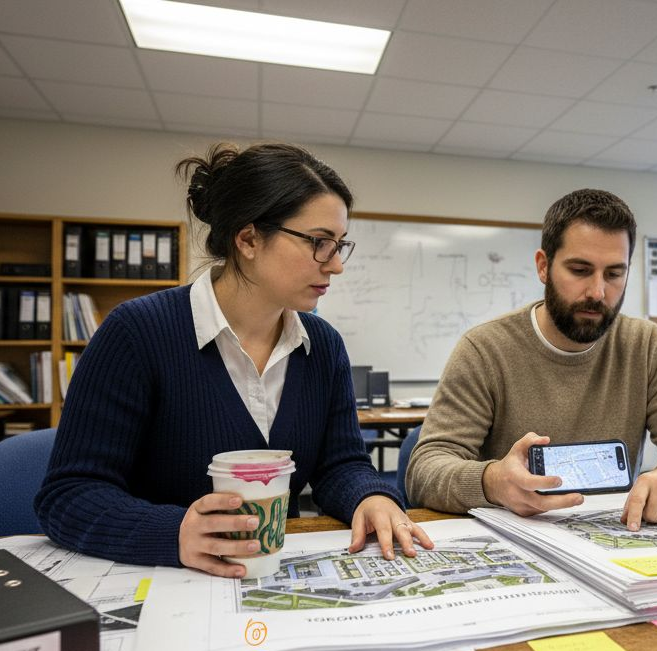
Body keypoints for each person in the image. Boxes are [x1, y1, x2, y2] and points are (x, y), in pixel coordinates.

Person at [37, 142, 432, 578]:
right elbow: (69, 494)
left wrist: (370, 497)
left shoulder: (323, 345)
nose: (336, 265)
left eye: (340, 245)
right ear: (248, 239)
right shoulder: (137, 332)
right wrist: (173, 532)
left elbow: (340, 465)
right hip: (165, 580)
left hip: (272, 575)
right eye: (320, 243)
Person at [406, 189, 657, 530]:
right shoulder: (485, 349)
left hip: (617, 536)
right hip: (519, 536)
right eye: (580, 270)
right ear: (543, 266)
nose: (597, 292)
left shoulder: (646, 345)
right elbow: (424, 470)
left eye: (614, 274)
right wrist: (493, 481)